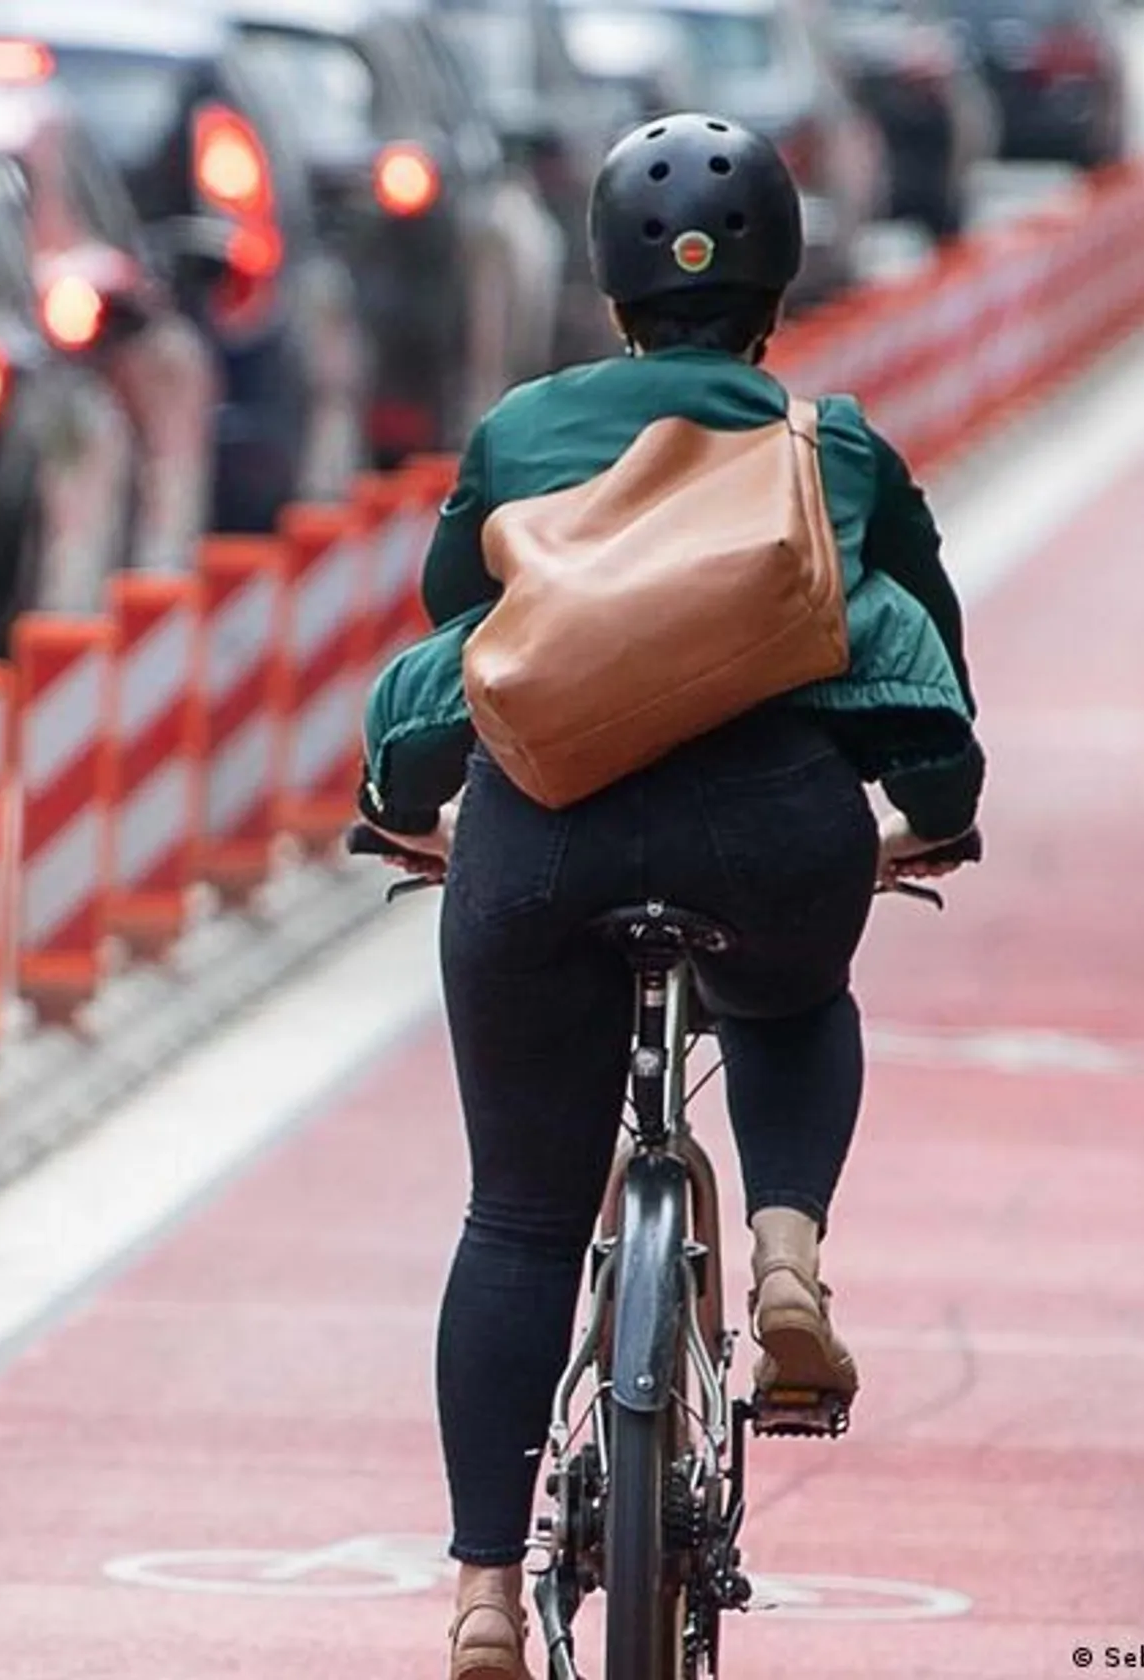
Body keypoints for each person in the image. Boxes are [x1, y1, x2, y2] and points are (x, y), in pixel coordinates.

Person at [347, 114, 984, 1680]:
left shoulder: (515, 434)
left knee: (515, 1217)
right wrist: (933, 823)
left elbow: (460, 641)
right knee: (790, 995)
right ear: (778, 288)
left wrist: (406, 809)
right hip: (772, 834)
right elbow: (922, 656)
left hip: (538, 849)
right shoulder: (828, 446)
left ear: (608, 292)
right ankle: (781, 1257)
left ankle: (487, 1595)